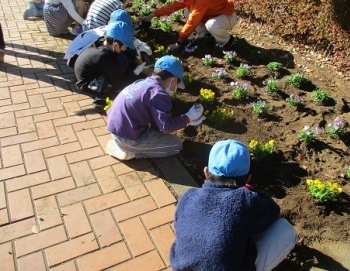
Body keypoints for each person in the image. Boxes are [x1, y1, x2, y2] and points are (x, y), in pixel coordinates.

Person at [170, 139, 298, 271]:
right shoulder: (246, 199)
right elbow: (273, 211)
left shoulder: (188, 196)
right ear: (248, 178)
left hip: (181, 267)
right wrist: (252, 192)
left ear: (206, 172)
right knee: (284, 228)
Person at [106, 55, 206, 160]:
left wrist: (186, 121)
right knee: (176, 145)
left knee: (155, 129)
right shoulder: (159, 94)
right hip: (127, 139)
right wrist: (188, 117)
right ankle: (131, 153)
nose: (176, 89)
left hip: (115, 128)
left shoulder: (143, 83)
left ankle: (124, 146)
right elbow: (166, 127)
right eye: (177, 84)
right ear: (173, 81)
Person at [142, 0, 238, 51]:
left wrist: (179, 41)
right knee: (187, 12)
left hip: (227, 16)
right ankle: (205, 36)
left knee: (211, 25)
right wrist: (151, 15)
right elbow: (172, 7)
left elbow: (193, 20)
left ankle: (227, 41)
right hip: (212, 15)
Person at [73, 21, 135, 105]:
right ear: (116, 45)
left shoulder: (100, 42)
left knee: (123, 59)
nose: (126, 48)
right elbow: (118, 82)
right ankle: (100, 98)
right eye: (125, 46)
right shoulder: (103, 57)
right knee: (122, 89)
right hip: (87, 84)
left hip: (89, 74)